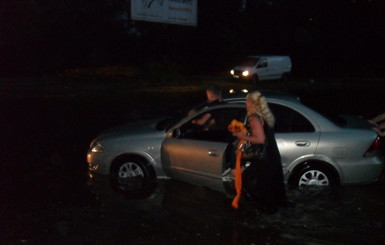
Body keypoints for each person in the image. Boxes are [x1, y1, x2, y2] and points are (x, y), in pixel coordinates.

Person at [232, 90, 288, 214]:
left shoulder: (253, 117)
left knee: (249, 179)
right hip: (272, 153)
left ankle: (263, 209)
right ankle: (276, 209)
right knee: (272, 182)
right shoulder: (266, 115)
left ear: (252, 103)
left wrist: (241, 135)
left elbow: (260, 139)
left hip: (265, 157)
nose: (246, 104)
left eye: (247, 102)